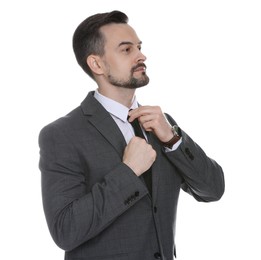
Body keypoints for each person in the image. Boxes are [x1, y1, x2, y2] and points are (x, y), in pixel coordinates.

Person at [38, 10, 225, 260]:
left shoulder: (162, 125)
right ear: (97, 64)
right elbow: (66, 230)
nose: (141, 56)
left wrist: (173, 140)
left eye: (139, 47)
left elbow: (212, 190)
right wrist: (128, 172)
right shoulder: (62, 135)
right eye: (127, 50)